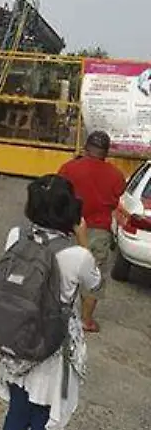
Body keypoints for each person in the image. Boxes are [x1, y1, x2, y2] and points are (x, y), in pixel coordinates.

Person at [0, 174, 100, 430]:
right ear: (71, 211)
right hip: (49, 352)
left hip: (15, 342)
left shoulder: (15, 236)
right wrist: (83, 238)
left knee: (16, 415)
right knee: (41, 425)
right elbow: (96, 286)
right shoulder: (76, 256)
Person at [57, 130, 126, 332]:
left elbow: (60, 193)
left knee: (64, 271)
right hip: (99, 231)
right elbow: (120, 194)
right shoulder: (115, 174)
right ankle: (86, 321)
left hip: (70, 227)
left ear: (86, 148)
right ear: (106, 152)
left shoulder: (69, 168)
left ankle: (58, 313)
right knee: (93, 276)